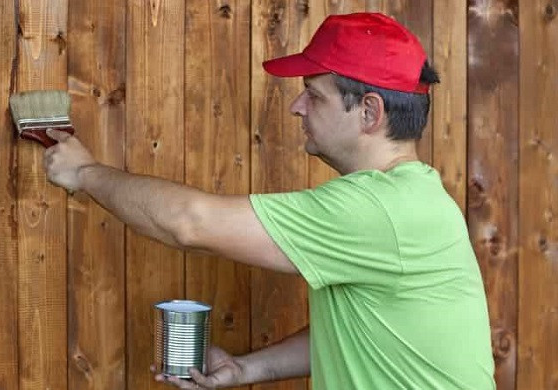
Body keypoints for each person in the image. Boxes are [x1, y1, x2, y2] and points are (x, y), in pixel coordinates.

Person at [43, 12, 495, 390]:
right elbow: (364, 334)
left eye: (314, 95)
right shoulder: (409, 197)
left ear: (369, 112)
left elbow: (189, 223)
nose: (297, 106)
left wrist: (85, 173)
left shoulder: (377, 209)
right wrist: (246, 369)